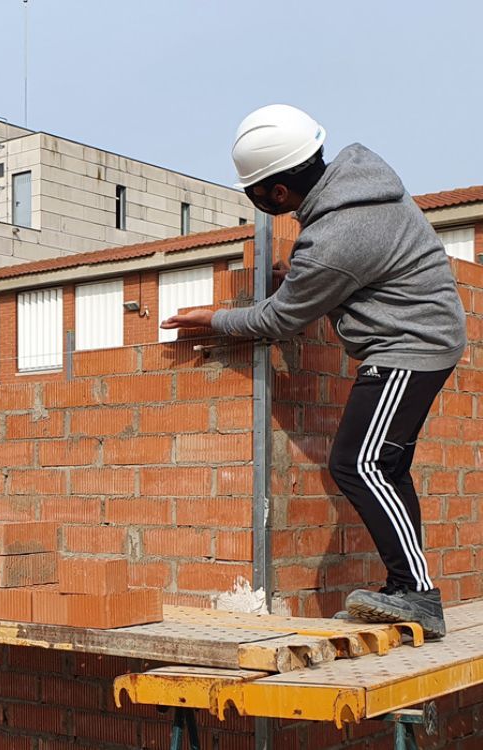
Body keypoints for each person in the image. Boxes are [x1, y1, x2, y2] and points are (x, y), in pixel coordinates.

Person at [162, 104, 466, 639]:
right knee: (384, 468)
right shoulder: (355, 187)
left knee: (359, 463)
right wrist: (301, 272)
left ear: (276, 193)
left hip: (411, 343)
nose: (253, 199)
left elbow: (279, 320)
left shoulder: (336, 236)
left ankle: (417, 595)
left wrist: (211, 318)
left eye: (253, 191)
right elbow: (336, 270)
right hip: (423, 334)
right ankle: (407, 587)